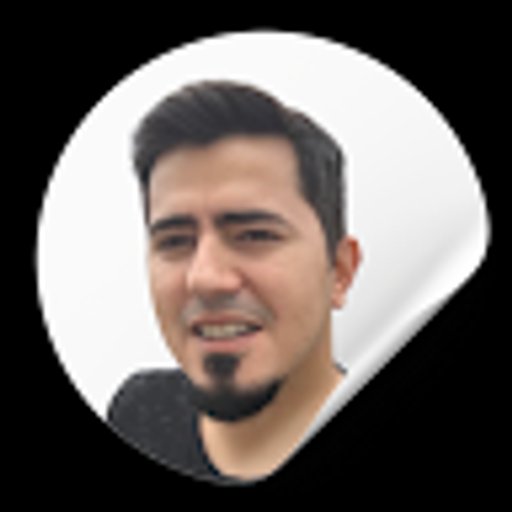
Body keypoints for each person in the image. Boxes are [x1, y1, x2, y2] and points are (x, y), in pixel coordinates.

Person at [107, 81, 361, 483]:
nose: (205, 278)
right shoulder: (141, 415)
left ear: (341, 271)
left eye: (255, 235)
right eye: (175, 241)